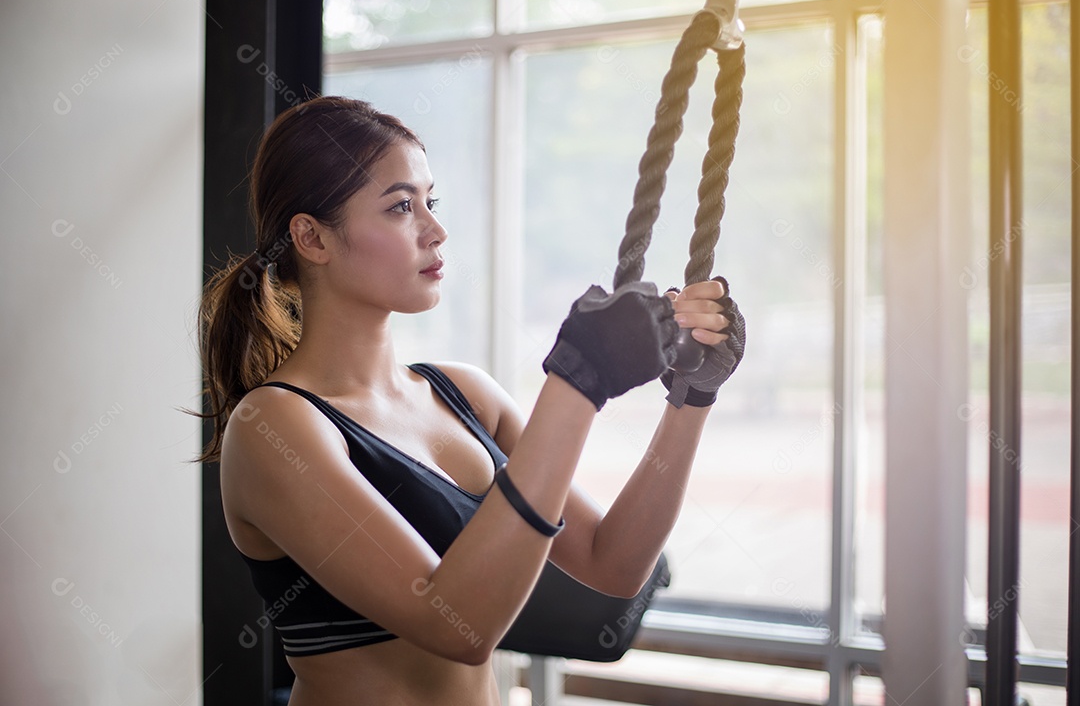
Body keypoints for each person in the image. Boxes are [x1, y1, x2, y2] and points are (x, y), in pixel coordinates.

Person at [191, 95, 745, 706]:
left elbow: (613, 563)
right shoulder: (274, 425)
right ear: (311, 238)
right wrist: (578, 382)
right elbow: (457, 624)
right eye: (402, 207)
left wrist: (692, 398)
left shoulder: (465, 394)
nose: (436, 230)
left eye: (431, 202)